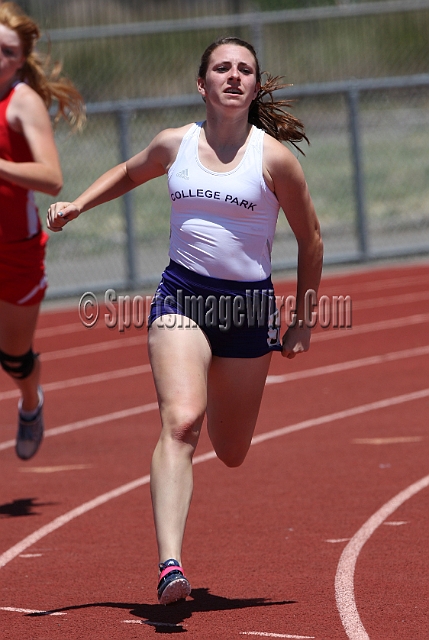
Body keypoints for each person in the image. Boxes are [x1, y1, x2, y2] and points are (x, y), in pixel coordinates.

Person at [47, 36, 323, 605]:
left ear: (253, 86)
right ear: (202, 85)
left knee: (231, 449)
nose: (233, 76)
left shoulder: (273, 159)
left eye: (244, 70)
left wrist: (304, 319)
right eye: (221, 68)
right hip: (183, 298)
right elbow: (128, 171)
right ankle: (170, 565)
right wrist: (78, 204)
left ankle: (215, 446)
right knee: (181, 421)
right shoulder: (175, 144)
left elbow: (311, 239)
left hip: (248, 309)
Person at [0, 2, 85, 460]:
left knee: (12, 356)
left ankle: (31, 402)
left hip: (13, 248)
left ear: (20, 59)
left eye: (6, 50)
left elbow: (52, 178)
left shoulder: (23, 103)